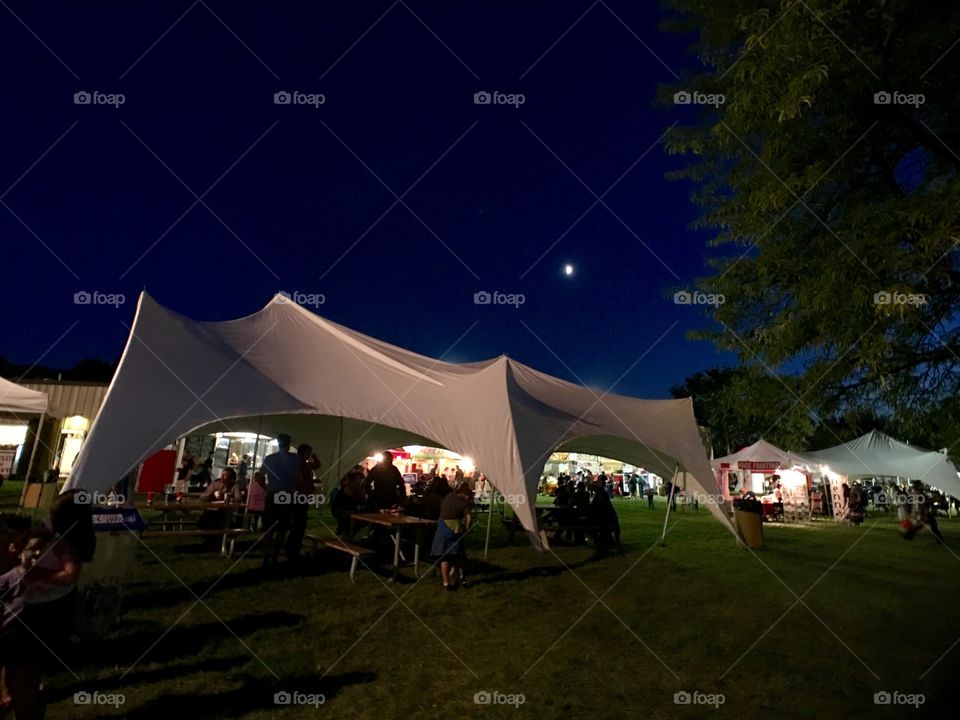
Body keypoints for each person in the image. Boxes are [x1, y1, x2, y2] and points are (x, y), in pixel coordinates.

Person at [260, 434, 301, 569]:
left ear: (278, 443)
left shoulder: (270, 459)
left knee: (269, 529)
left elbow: (259, 477)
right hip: (286, 495)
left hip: (272, 494)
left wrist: (266, 488)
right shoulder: (295, 459)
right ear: (289, 443)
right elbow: (298, 477)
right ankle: (275, 557)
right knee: (282, 528)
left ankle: (266, 557)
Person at [430, 483, 474, 590]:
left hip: (442, 528)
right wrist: (467, 529)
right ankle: (461, 577)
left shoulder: (449, 495)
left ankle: (446, 582)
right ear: (466, 495)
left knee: (445, 557)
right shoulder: (465, 502)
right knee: (459, 555)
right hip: (454, 530)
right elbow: (469, 518)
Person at [286, 444, 321, 562]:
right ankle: (293, 549)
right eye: (308, 453)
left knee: (299, 524)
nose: (309, 455)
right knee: (299, 524)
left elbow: (317, 464)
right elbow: (299, 479)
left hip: (301, 497)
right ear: (301, 453)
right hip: (299, 497)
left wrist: (314, 456)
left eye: (310, 453)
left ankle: (292, 548)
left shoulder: (305, 464)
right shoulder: (299, 465)